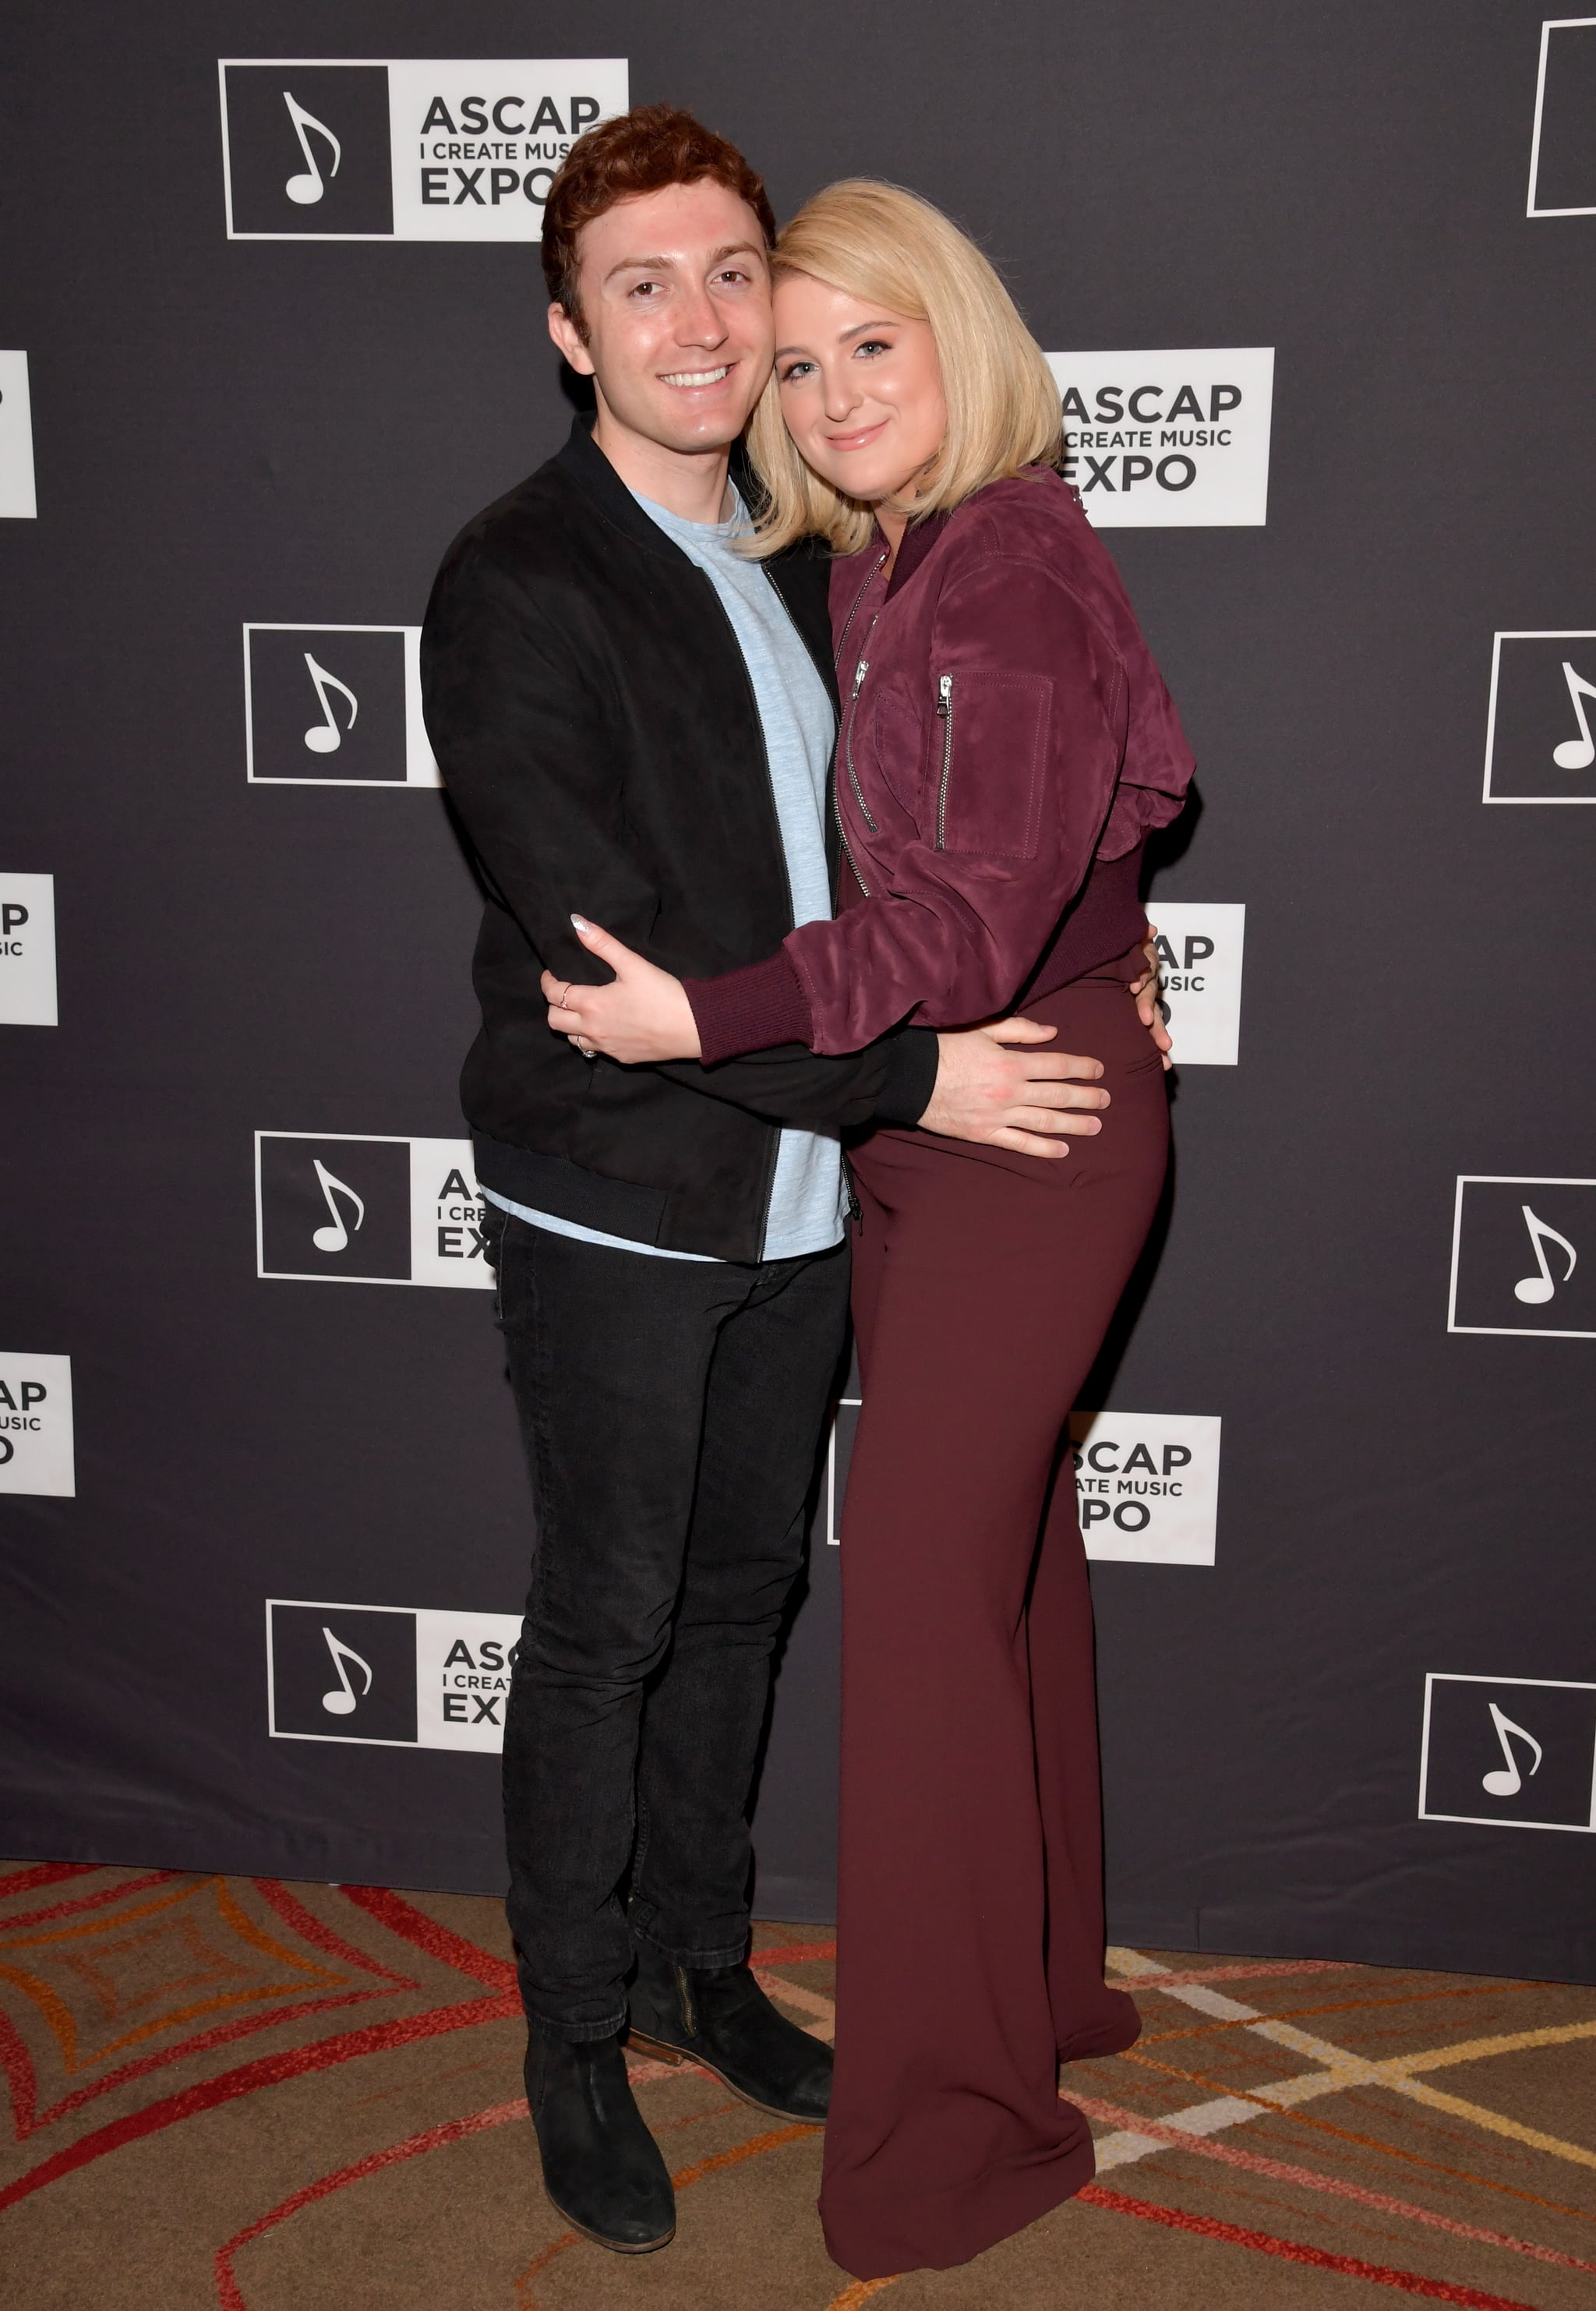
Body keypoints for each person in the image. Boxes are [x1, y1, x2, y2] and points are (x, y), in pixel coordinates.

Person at [420, 111, 1160, 2260]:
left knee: (744, 1608)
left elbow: (995, 824)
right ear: (572, 333)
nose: (708, 322)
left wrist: (1109, 964)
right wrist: (926, 1067)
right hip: (636, 1197)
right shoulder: (515, 581)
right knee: (609, 1625)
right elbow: (609, 965)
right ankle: (572, 2045)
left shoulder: (835, 553)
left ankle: (700, 1971)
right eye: (642, 284)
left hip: (821, 1201)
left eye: (732, 273)